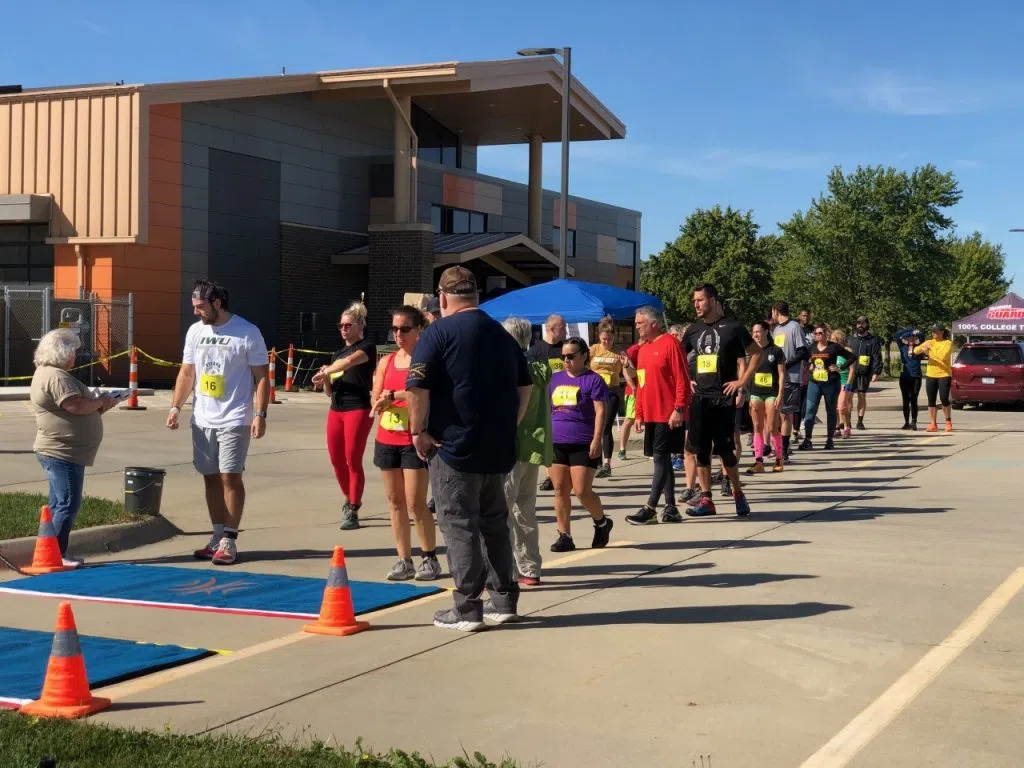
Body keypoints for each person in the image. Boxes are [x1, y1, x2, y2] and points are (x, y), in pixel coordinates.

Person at [406, 266, 533, 632]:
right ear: (477, 296)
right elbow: (525, 386)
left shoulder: (438, 332)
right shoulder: (502, 335)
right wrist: (510, 423)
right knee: (494, 522)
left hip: (454, 446)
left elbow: (417, 387)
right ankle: (503, 599)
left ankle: (467, 607)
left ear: (443, 298)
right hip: (497, 447)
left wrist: (418, 431)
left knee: (459, 523)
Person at [168, 280, 269, 566]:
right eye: (194, 306)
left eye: (201, 306)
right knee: (210, 476)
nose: (196, 312)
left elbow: (262, 376)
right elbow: (187, 372)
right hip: (203, 418)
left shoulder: (247, 332)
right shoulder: (195, 332)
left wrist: (260, 414)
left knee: (230, 477)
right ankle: (216, 535)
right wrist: (176, 406)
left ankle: (229, 540)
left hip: (235, 417)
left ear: (217, 303)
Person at [29, 329, 119, 567]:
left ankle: (49, 552)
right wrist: (101, 401)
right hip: (62, 451)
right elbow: (75, 406)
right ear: (62, 352)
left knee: (58, 503)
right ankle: (56, 554)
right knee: (68, 502)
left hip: (62, 450)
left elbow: (76, 408)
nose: (76, 357)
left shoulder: (48, 372)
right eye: (74, 352)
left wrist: (100, 405)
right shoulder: (56, 376)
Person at [370, 306, 440, 581]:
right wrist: (381, 399)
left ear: (418, 330)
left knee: (415, 503)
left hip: (414, 438)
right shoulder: (386, 362)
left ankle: (429, 557)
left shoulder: (425, 360)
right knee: (394, 501)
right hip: (387, 437)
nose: (399, 334)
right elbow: (376, 397)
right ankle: (404, 559)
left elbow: (422, 393)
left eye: (405, 329)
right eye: (395, 329)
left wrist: (393, 395)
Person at [683, 284, 760, 518]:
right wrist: (687, 380)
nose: (696, 305)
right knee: (701, 451)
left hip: (723, 399)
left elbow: (756, 353)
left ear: (713, 300)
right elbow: (678, 358)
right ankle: (706, 499)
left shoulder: (733, 327)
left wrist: (742, 382)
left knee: (725, 451)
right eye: (694, 301)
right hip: (700, 399)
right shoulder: (693, 330)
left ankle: (738, 493)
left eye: (700, 300)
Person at [311, 302, 376, 530]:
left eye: (348, 325)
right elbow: (329, 391)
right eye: (341, 325)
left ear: (360, 326)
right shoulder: (336, 354)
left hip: (357, 407)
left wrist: (328, 370)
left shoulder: (367, 347)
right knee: (336, 460)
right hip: (336, 408)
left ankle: (354, 507)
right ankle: (348, 498)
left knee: (352, 458)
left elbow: (349, 362)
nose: (344, 329)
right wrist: (325, 378)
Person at [625, 306, 691, 525]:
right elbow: (641, 384)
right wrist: (639, 413)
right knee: (662, 458)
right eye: (636, 323)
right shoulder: (643, 349)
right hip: (651, 414)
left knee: (660, 459)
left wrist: (679, 408)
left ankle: (650, 508)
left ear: (654, 323)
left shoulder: (671, 343)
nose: (636, 327)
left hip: (668, 413)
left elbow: (682, 377)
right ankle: (671, 507)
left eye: (640, 323)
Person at [501, 317, 553, 587]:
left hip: (513, 445)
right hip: (534, 445)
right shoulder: (540, 368)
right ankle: (530, 567)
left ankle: (505, 570)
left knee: (502, 511)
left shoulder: (513, 369)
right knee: (525, 509)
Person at [548, 337, 613, 551]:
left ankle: (601, 522)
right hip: (557, 441)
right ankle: (564, 535)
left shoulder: (593, 380)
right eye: (563, 357)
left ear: (584, 355)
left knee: (581, 490)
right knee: (559, 489)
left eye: (571, 356)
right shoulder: (555, 379)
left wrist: (596, 439)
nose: (566, 361)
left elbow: (600, 411)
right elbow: (548, 409)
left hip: (583, 442)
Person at [529, 314, 567, 491]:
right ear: (551, 329)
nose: (565, 330)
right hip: (543, 401)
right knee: (547, 438)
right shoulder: (536, 351)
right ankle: (549, 476)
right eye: (562, 327)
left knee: (560, 438)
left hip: (564, 401)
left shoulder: (566, 350)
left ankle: (561, 473)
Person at [770, 301, 809, 458]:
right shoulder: (777, 329)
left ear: (776, 311)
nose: (771, 315)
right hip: (776, 378)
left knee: (785, 414)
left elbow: (803, 352)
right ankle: (777, 446)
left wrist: (786, 364)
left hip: (791, 377)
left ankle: (785, 449)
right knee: (776, 414)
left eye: (772, 312)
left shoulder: (794, 327)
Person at [799, 324, 848, 450]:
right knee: (810, 410)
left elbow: (852, 357)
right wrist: (808, 366)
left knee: (830, 410)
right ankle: (808, 439)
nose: (818, 335)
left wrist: (839, 368)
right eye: (816, 333)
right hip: (814, 383)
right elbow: (803, 357)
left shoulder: (834, 347)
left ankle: (829, 439)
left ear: (826, 334)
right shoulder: (811, 347)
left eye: (820, 333)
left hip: (831, 383)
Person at [745, 321, 785, 474]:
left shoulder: (776, 351)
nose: (755, 334)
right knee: (757, 427)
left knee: (772, 426)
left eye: (758, 331)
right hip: (755, 392)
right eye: (753, 331)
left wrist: (780, 394)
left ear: (766, 332)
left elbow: (782, 374)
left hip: (771, 393)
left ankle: (779, 459)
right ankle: (759, 462)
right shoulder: (751, 351)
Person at [589, 317, 625, 478]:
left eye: (609, 339)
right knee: (594, 426)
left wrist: (627, 364)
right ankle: (595, 462)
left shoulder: (618, 353)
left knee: (606, 426)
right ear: (599, 337)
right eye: (604, 339)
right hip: (594, 393)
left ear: (614, 337)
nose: (606, 342)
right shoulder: (593, 350)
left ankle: (607, 464)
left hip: (611, 391)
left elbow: (628, 372)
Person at [914, 324, 954, 432]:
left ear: (942, 332)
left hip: (944, 374)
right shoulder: (930, 342)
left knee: (944, 398)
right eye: (932, 331)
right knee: (931, 399)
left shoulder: (947, 343)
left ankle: (948, 421)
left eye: (935, 331)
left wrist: (929, 352)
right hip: (931, 374)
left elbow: (942, 357)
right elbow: (916, 350)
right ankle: (933, 424)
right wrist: (922, 348)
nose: (933, 333)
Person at [849, 315, 883, 430]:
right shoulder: (850, 339)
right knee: (848, 396)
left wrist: (876, 372)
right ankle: (847, 420)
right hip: (850, 372)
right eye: (858, 323)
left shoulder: (873, 340)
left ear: (867, 325)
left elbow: (877, 357)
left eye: (863, 323)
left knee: (862, 396)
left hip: (864, 373)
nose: (860, 325)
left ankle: (860, 421)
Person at [894, 326, 924, 430]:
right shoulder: (903, 347)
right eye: (909, 338)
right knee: (905, 399)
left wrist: (915, 331)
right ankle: (906, 422)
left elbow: (922, 335)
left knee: (914, 398)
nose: (911, 339)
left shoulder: (919, 347)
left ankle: (914, 421)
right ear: (906, 339)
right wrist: (908, 331)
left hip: (916, 377)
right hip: (905, 376)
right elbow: (896, 335)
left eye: (913, 337)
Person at [617, 340, 641, 460]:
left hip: (647, 390)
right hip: (633, 392)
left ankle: (652, 450)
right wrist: (633, 386)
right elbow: (625, 370)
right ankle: (622, 449)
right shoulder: (633, 350)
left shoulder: (653, 348)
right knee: (629, 420)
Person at [832, 328, 856, 438]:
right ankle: (837, 427)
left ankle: (847, 427)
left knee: (841, 406)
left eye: (836, 340)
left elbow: (852, 369)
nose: (833, 342)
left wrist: (849, 383)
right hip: (833, 381)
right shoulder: (831, 351)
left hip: (844, 381)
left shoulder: (847, 351)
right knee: (834, 406)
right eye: (832, 340)